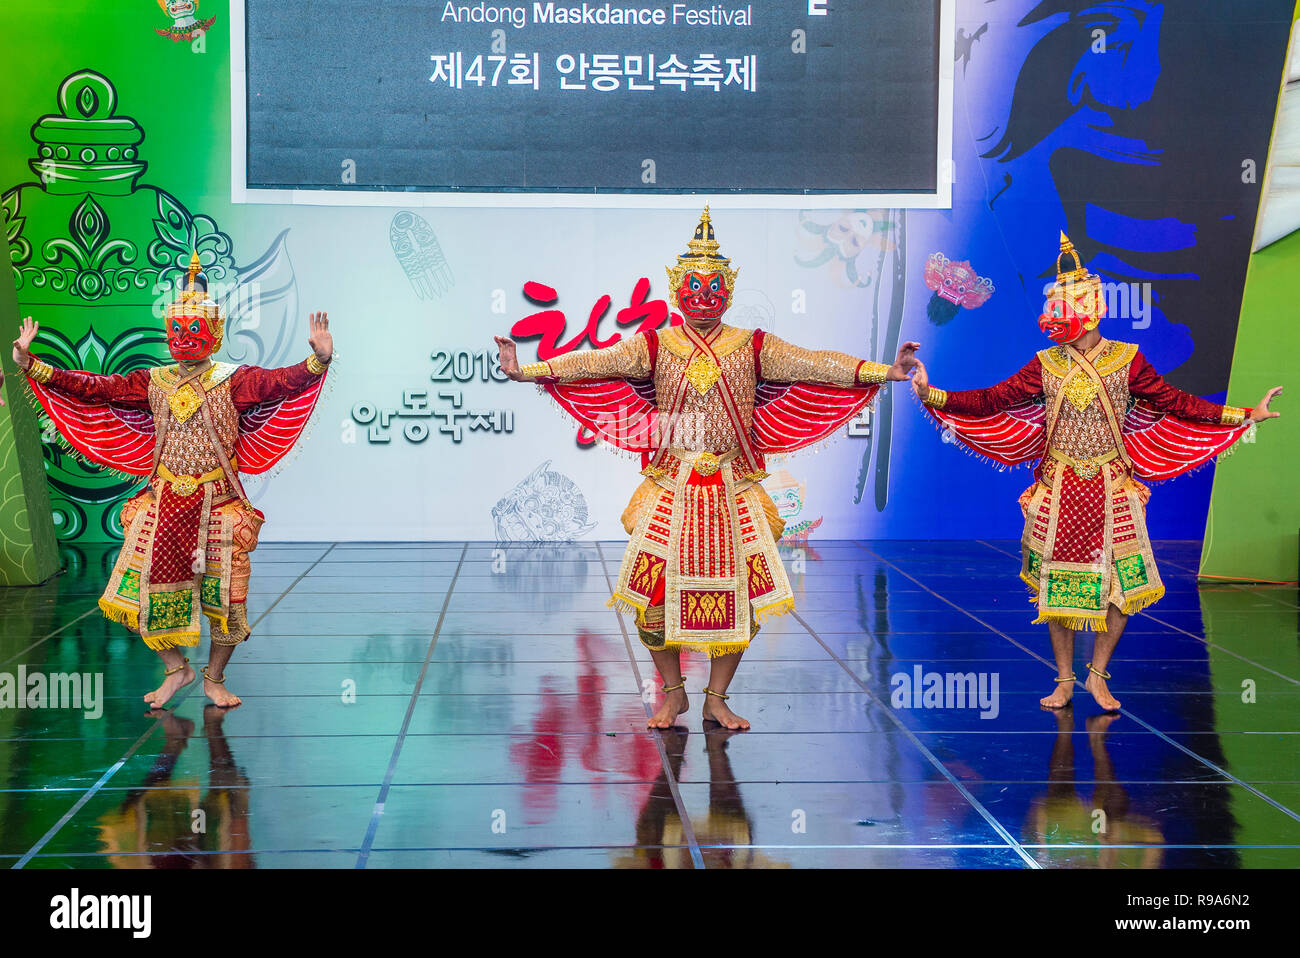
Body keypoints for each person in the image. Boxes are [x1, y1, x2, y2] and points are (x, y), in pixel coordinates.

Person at [495, 208, 918, 729]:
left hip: (732, 488)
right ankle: (673, 693)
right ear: (677, 288)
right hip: (670, 486)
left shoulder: (754, 346)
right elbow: (593, 363)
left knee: (745, 596)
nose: (703, 296)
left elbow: (815, 363)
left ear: (727, 289)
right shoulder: (655, 345)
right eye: (692, 286)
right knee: (651, 596)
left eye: (712, 286)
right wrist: (526, 370)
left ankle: (717, 696)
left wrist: (885, 371)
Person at [911, 233, 1281, 711]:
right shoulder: (1045, 364)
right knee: (1057, 590)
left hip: (1113, 488)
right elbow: (992, 399)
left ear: (1089, 311)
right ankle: (1064, 680)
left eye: (1062, 309)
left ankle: (1097, 676)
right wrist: (931, 393)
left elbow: (1175, 403)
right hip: (1059, 488)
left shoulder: (1127, 360)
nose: (1052, 319)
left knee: (1123, 590)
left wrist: (1242, 415)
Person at [15, 252, 333, 709]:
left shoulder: (235, 380)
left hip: (219, 509)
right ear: (168, 332)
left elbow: (280, 383)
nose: (185, 338)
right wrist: (34, 365)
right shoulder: (153, 381)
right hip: (161, 505)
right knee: (129, 598)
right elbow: (96, 387)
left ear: (215, 333)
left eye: (194, 330)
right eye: (177, 330)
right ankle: (176, 669)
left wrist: (316, 361)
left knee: (228, 604)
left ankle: (213, 677)